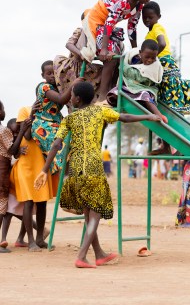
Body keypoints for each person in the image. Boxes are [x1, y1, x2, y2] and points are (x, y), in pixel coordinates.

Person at [34, 81, 161, 268]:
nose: (70, 98)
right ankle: (82, 256)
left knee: (88, 213)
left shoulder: (69, 119)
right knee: (95, 214)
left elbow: (56, 145)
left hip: (76, 169)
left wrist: (44, 170)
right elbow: (124, 117)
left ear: (77, 99)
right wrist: (149, 116)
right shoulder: (100, 112)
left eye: (71, 96)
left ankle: (99, 254)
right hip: (92, 167)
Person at [81, 0, 158, 99]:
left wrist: (136, 51)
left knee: (120, 57)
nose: (148, 0)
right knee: (110, 56)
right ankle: (102, 96)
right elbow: (109, 22)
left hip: (107, 26)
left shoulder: (138, 7)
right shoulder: (122, 0)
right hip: (96, 21)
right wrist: (104, 49)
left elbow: (132, 28)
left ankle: (112, 92)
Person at [142, 1, 190, 114]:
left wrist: (152, 57)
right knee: (166, 89)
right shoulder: (149, 33)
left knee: (170, 91)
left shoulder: (157, 27)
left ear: (159, 17)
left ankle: (173, 113)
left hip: (164, 63)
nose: (147, 20)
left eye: (150, 17)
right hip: (163, 63)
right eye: (145, 17)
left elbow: (162, 43)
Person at [10, 104, 58, 251]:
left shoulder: (50, 113)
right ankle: (30, 241)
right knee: (29, 201)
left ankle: (39, 239)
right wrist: (32, 114)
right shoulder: (24, 110)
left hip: (41, 164)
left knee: (42, 201)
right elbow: (27, 135)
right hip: (27, 164)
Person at [31, 60, 83, 174]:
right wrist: (73, 85)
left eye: (54, 73)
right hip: (44, 125)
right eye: (48, 73)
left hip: (56, 122)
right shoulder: (44, 87)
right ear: (43, 75)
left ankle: (69, 177)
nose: (52, 76)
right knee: (62, 146)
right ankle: (65, 178)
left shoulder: (59, 87)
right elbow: (61, 99)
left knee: (74, 142)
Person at [107, 39, 167, 122]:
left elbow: (145, 80)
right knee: (114, 92)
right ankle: (117, 102)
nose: (150, 60)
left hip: (144, 88)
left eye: (153, 58)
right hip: (128, 87)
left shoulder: (154, 66)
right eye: (147, 57)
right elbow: (123, 66)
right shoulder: (132, 58)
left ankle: (159, 115)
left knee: (145, 95)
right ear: (140, 53)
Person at [0, 102, 32, 253]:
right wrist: (22, 132)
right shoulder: (3, 131)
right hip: (3, 174)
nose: (4, 111)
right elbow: (12, 151)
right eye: (2, 109)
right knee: (2, 209)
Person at [53, 27, 104, 112]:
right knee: (72, 96)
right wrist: (80, 54)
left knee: (86, 99)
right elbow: (69, 44)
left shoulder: (101, 33)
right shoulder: (81, 30)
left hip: (87, 69)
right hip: (72, 67)